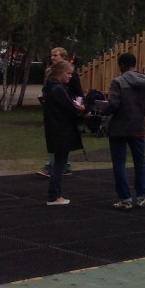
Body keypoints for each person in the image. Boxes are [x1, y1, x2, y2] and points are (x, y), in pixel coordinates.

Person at [103, 52, 145, 210]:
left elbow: (113, 105)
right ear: (134, 64)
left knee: (119, 163)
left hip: (119, 128)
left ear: (121, 65)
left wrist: (101, 111)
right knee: (140, 162)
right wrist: (140, 112)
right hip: (137, 127)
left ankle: (125, 199)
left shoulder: (118, 82)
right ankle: (142, 197)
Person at [42, 59, 84, 205]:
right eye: (68, 73)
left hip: (55, 129)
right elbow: (70, 110)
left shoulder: (50, 87)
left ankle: (55, 195)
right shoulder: (58, 89)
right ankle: (54, 196)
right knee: (59, 164)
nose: (70, 76)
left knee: (59, 163)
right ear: (60, 73)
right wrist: (81, 111)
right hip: (61, 130)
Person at [39, 47, 83, 177]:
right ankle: (55, 165)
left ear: (63, 57)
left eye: (56, 55)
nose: (53, 57)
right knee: (56, 137)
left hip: (66, 108)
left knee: (62, 137)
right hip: (55, 110)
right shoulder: (50, 72)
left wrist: (79, 105)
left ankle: (60, 165)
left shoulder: (69, 74)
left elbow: (78, 91)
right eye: (52, 55)